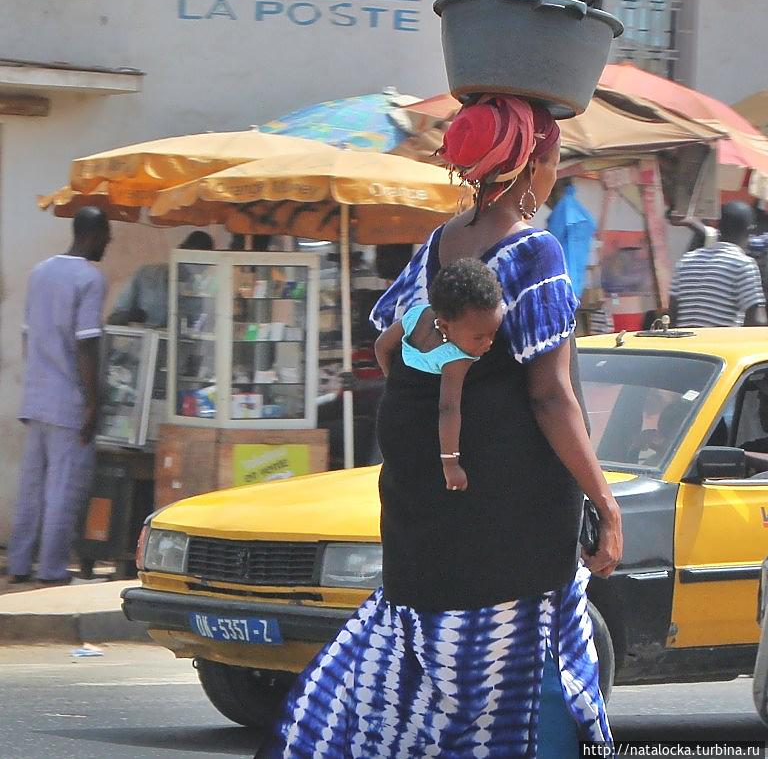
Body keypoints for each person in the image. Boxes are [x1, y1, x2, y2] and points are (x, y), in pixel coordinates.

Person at [261, 96, 622, 758]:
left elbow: (387, 349)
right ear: (534, 164)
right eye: (555, 156)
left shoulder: (440, 246)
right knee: (526, 686)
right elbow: (551, 395)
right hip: (511, 524)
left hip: (423, 515)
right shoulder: (535, 252)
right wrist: (603, 496)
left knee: (423, 675)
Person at [8, 207, 111, 586]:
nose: (108, 244)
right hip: (69, 401)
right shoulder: (89, 278)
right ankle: (51, 569)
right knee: (62, 490)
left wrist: (38, 379)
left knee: (31, 488)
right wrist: (92, 400)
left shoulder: (40, 272)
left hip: (36, 397)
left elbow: (26, 336)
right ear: (94, 234)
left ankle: (19, 563)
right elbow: (87, 345)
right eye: (107, 236)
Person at [374, 259, 504, 491]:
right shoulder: (455, 357)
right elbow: (448, 408)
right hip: (419, 438)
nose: (489, 343)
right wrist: (451, 464)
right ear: (444, 327)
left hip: (390, 422)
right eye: (479, 337)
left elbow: (381, 346)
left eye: (493, 333)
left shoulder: (416, 315)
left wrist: (394, 384)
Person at [669, 201, 767, 328]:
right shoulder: (742, 264)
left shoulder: (686, 260)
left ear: (719, 228)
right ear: (750, 230)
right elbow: (757, 320)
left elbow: (672, 313)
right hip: (719, 346)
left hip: (685, 345)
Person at [107, 230, 213, 327]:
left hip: (181, 347)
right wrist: (131, 316)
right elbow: (116, 316)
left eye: (200, 263)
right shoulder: (146, 274)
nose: (193, 266)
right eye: (190, 258)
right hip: (143, 344)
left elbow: (199, 329)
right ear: (179, 250)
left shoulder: (200, 292)